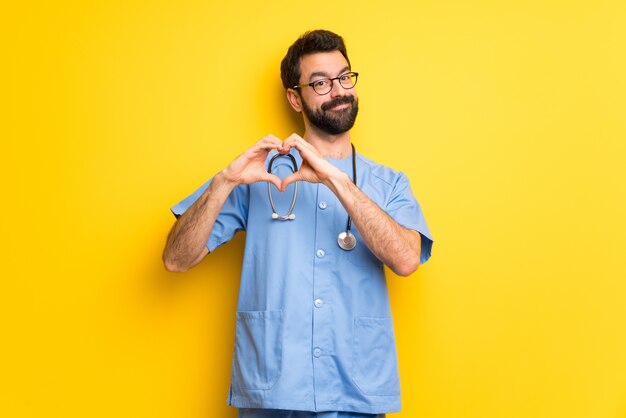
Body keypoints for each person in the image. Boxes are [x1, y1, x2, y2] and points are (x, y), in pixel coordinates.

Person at [163, 29, 433, 418]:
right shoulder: (258, 175)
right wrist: (224, 181)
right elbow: (176, 258)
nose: (338, 90)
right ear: (295, 97)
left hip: (355, 392)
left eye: (344, 77)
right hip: (274, 392)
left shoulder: (389, 183)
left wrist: (334, 178)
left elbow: (407, 260)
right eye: (320, 83)